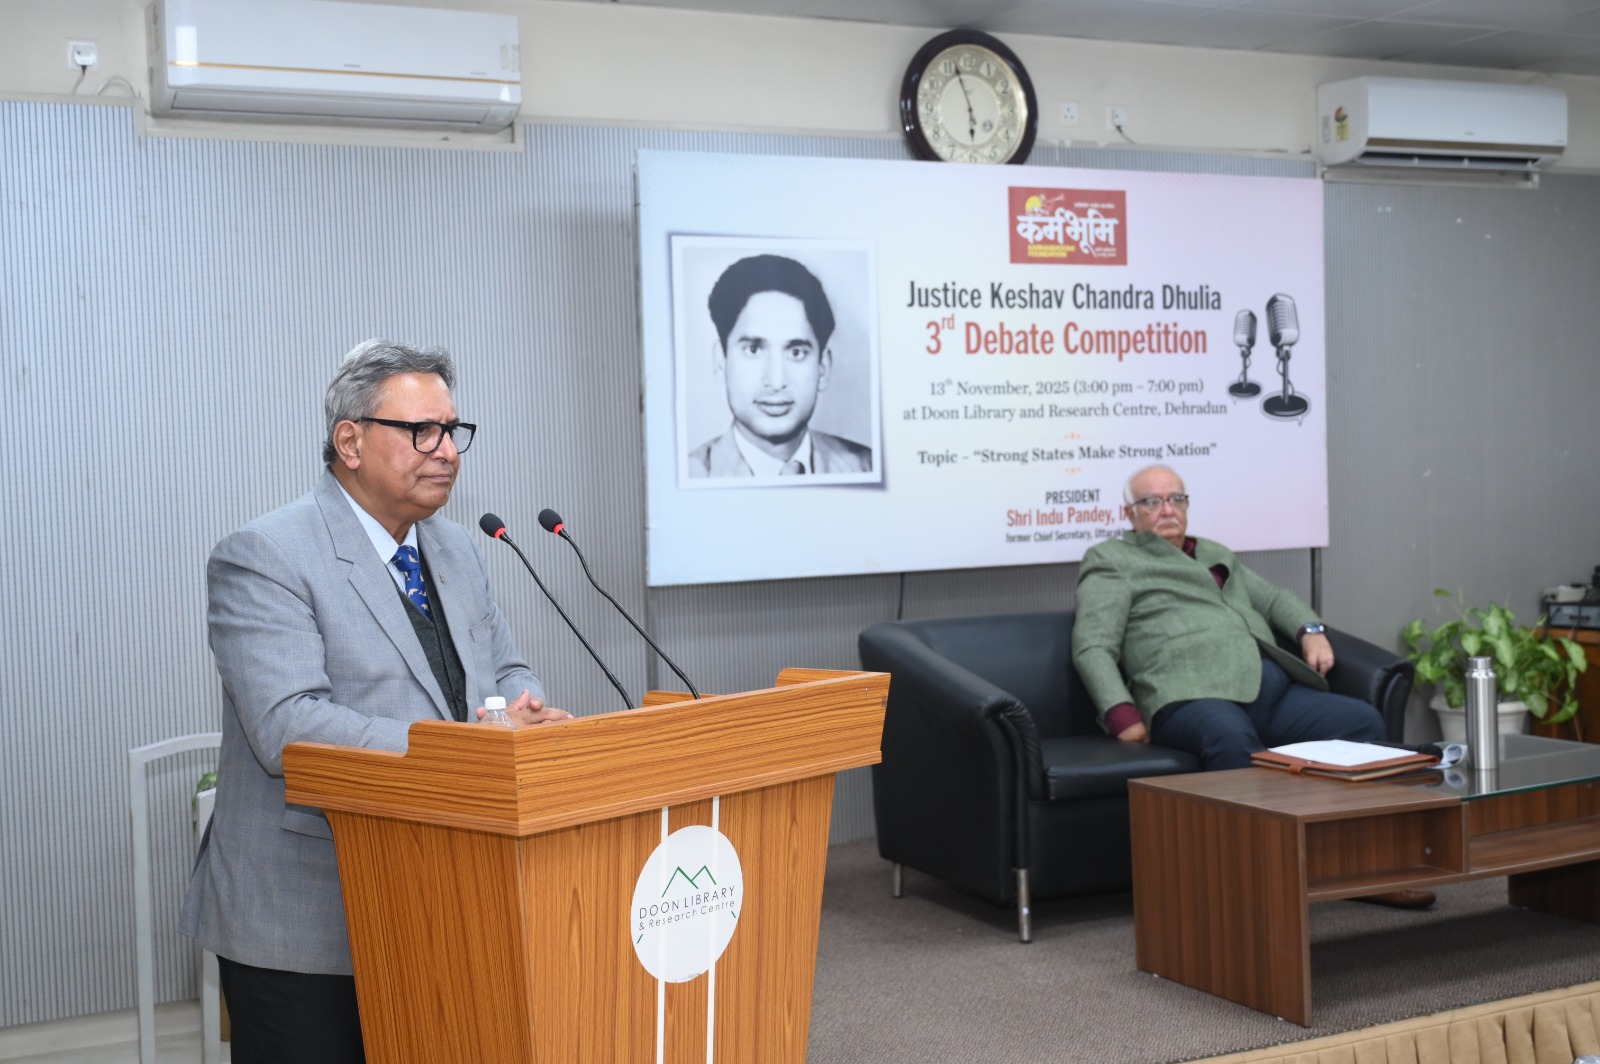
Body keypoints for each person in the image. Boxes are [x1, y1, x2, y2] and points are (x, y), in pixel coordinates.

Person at [180, 339, 569, 1064]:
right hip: (307, 919)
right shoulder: (264, 555)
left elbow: (506, 670)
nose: (447, 450)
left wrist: (528, 711)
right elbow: (288, 726)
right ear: (350, 441)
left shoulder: (456, 549)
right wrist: (470, 749)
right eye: (422, 431)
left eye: (452, 430)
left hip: (440, 896)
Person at [1072, 464, 1386, 770]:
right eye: (1152, 502)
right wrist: (1121, 715)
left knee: (1361, 722)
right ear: (1129, 513)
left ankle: (1326, 808)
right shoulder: (1112, 559)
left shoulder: (1214, 552)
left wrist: (1312, 631)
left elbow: (1273, 599)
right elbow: (1093, 646)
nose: (1167, 510)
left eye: (1176, 499)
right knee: (1230, 739)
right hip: (1190, 695)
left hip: (1269, 692)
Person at [688, 253, 872, 477]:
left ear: (823, 368)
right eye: (753, 350)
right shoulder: (690, 474)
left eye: (796, 353)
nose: (776, 382)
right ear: (721, 362)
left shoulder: (867, 467)